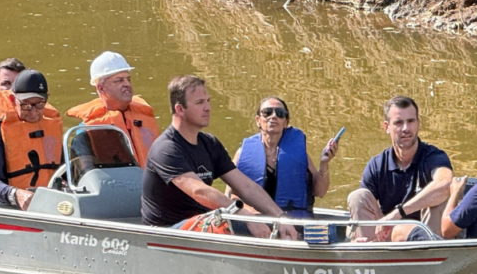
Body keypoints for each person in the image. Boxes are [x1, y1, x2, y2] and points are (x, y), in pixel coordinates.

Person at [141, 75, 299, 240]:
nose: (208, 107)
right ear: (180, 109)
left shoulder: (209, 143)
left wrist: (280, 217)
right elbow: (199, 190)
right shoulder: (166, 148)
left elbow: (246, 187)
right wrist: (242, 213)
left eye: (208, 101)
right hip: (166, 233)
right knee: (235, 222)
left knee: (272, 223)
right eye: (200, 102)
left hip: (201, 224)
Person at [347, 96, 453, 241]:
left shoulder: (433, 156)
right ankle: (367, 251)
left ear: (418, 123)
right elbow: (359, 209)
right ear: (386, 127)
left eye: (411, 121)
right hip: (387, 237)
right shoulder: (377, 165)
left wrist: (399, 213)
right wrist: (354, 235)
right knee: (358, 196)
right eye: (398, 122)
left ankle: (431, 252)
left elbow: (445, 183)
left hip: (427, 237)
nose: (406, 128)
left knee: (440, 196)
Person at [232, 96, 338, 218]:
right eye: (267, 112)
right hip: (255, 221)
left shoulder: (299, 154)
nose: (273, 116)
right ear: (258, 120)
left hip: (292, 221)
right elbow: (231, 196)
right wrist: (250, 215)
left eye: (280, 113)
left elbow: (320, 192)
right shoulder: (242, 154)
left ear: (286, 122)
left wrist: (324, 164)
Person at [0, 70, 64, 210]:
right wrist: (16, 194)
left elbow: (64, 171)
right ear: (13, 100)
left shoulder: (51, 126)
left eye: (39, 104)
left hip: (47, 201)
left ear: (47, 98)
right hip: (7, 204)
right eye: (26, 105)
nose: (33, 112)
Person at [66, 51, 160, 167]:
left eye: (128, 79)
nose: (127, 84)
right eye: (119, 80)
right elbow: (86, 175)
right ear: (101, 88)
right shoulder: (87, 131)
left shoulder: (145, 119)